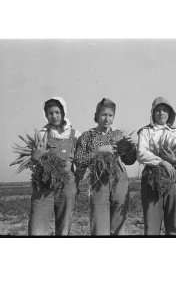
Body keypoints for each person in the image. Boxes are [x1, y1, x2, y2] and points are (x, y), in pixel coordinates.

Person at [74, 98, 136, 235]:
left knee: (119, 227)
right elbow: (78, 161)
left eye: (110, 115)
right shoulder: (86, 136)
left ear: (113, 117)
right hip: (98, 182)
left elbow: (129, 160)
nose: (107, 119)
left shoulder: (118, 135)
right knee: (99, 228)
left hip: (119, 181)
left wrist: (131, 147)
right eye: (103, 115)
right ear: (96, 116)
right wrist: (98, 151)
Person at [137, 97, 176, 235]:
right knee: (151, 227)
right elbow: (141, 153)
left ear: (170, 113)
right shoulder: (145, 131)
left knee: (173, 224)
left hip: (174, 178)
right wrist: (162, 162)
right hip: (151, 179)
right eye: (158, 110)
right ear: (153, 113)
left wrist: (175, 159)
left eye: (165, 110)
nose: (161, 113)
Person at [29, 97, 81, 236]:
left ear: (63, 113)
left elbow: (80, 161)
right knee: (37, 227)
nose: (54, 116)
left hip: (67, 183)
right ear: (46, 115)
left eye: (57, 112)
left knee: (64, 226)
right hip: (44, 182)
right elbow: (34, 160)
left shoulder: (75, 134)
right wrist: (36, 157)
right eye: (50, 113)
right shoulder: (42, 134)